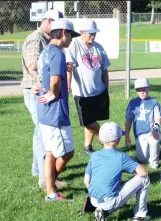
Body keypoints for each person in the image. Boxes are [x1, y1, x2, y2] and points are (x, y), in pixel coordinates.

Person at [36, 19, 80, 201]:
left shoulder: (46, 51)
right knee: (67, 152)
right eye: (70, 35)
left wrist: (64, 69)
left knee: (50, 152)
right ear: (63, 32)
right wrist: (54, 94)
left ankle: (50, 190)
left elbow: (45, 75)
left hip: (44, 112)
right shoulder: (57, 53)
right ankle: (51, 187)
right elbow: (54, 81)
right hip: (56, 114)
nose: (71, 39)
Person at [21, 9, 64, 189]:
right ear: (48, 21)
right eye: (57, 24)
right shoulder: (35, 39)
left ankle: (37, 170)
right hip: (34, 90)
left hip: (40, 90)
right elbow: (33, 65)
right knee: (42, 131)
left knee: (40, 130)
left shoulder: (46, 39)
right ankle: (43, 178)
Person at [84, 122, 150, 221]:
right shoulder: (121, 156)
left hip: (93, 199)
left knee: (112, 191)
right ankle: (140, 217)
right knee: (144, 179)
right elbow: (143, 172)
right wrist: (134, 173)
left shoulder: (94, 155)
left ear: (101, 140)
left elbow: (86, 181)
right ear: (118, 140)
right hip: (110, 200)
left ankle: (103, 212)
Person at [66, 19, 111, 155]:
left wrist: (106, 88)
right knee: (88, 121)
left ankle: (87, 147)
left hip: (98, 91)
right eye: (90, 33)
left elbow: (104, 70)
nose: (92, 36)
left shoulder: (99, 47)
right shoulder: (74, 45)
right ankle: (108, 139)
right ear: (82, 33)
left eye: (94, 33)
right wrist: (68, 87)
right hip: (81, 93)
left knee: (92, 120)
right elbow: (69, 68)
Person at [125, 78, 161, 169]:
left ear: (149, 88)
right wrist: (127, 135)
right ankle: (145, 158)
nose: (142, 92)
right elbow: (128, 120)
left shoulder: (154, 102)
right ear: (136, 91)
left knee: (154, 143)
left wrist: (156, 128)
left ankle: (154, 164)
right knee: (142, 159)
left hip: (152, 132)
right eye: (139, 90)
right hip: (139, 134)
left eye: (144, 89)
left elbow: (158, 118)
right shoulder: (132, 103)